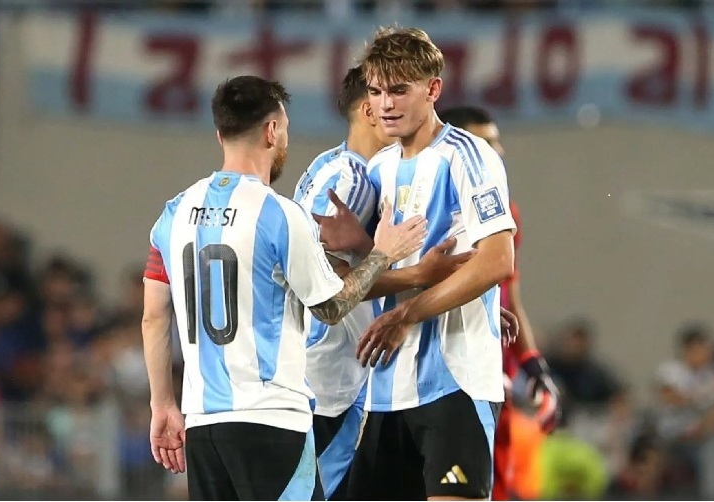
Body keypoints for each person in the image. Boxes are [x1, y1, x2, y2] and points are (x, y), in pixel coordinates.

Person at [140, 75, 427, 501]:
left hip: (202, 424)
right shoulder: (279, 214)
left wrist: (162, 403)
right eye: (286, 128)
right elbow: (331, 306)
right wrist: (382, 253)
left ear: (221, 134)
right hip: (271, 421)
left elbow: (153, 316)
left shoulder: (174, 213)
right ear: (272, 131)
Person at [321, 27, 560, 501]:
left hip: (454, 383)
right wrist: (365, 249)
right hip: (386, 387)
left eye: (399, 90)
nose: (385, 104)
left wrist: (408, 312)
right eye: (376, 91)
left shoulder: (469, 157)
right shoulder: (379, 168)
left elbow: (496, 261)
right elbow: (352, 282)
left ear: (432, 90)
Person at [293, 66, 474, 500]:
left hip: (332, 374)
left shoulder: (337, 167)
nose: (394, 108)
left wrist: (461, 298)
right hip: (334, 379)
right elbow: (329, 289)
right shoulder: (352, 180)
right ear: (366, 109)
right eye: (382, 96)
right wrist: (419, 275)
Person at [438, 105, 558, 500]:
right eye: (486, 143)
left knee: (495, 488)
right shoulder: (433, 208)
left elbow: (511, 294)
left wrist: (530, 362)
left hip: (493, 382)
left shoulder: (504, 213)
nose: (499, 151)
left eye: (496, 141)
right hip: (440, 382)